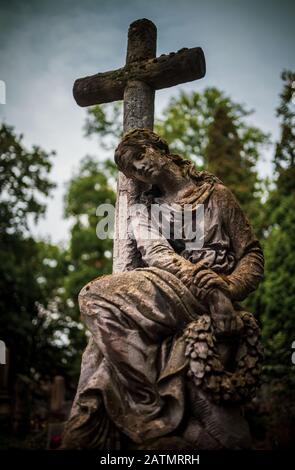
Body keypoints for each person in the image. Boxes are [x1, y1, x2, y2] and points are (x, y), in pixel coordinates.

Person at [62, 129, 264, 449]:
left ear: (159, 149)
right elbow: (159, 255)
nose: (139, 167)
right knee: (94, 298)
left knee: (95, 305)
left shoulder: (217, 195)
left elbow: (251, 255)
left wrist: (228, 287)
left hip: (209, 290)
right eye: (131, 168)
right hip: (173, 284)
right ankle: (149, 407)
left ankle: (149, 410)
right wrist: (212, 293)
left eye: (140, 156)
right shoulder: (143, 211)